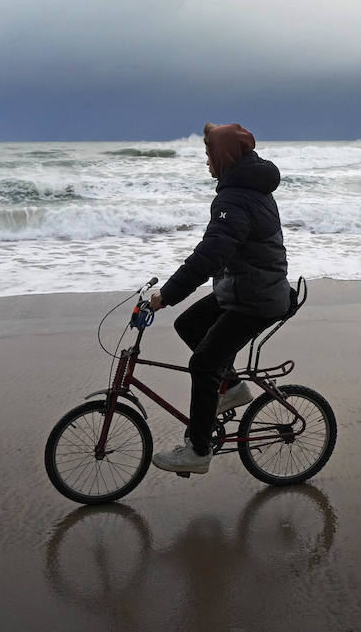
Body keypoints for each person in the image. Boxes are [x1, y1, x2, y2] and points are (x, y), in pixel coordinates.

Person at [148, 123, 291, 474]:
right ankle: (231, 387)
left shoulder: (236, 197)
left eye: (210, 153)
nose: (207, 161)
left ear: (225, 156)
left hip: (255, 299)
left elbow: (211, 255)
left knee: (202, 364)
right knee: (189, 324)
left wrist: (166, 295)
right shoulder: (247, 188)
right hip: (248, 288)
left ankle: (197, 451)